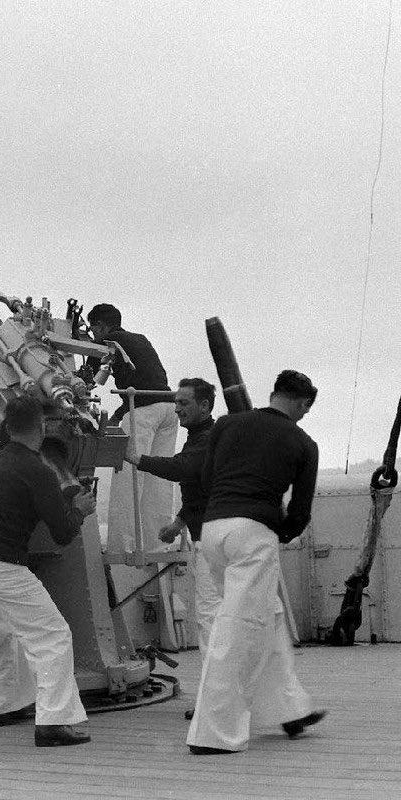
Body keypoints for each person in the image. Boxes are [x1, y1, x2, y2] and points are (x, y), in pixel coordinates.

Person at [187, 370, 326, 755]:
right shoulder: (303, 443)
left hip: (213, 531)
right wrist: (281, 533)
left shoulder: (226, 425)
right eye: (305, 409)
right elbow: (300, 511)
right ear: (302, 403)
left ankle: (289, 709)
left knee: (269, 615)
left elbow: (206, 478)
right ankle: (214, 735)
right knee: (240, 630)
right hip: (253, 534)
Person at [0, 395, 97, 748]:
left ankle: (4, 706)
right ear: (42, 427)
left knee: (1, 632)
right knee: (53, 637)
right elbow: (63, 533)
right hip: (1, 566)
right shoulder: (39, 471)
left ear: (7, 426)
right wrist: (79, 510)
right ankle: (53, 722)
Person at [126, 377, 218, 718]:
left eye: (183, 403)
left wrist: (137, 458)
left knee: (210, 620)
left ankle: (213, 703)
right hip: (211, 534)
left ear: (204, 406)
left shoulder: (207, 440)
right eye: (176, 402)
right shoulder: (201, 437)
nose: (176, 409)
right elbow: (198, 488)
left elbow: (183, 469)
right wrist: (178, 524)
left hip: (214, 541)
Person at [86, 303, 178, 552]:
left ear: (100, 326)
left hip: (143, 410)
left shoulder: (109, 342)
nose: (94, 335)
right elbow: (146, 382)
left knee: (128, 478)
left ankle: (122, 548)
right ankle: (157, 545)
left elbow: (87, 375)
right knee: (158, 479)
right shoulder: (139, 339)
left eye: (93, 330)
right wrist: (118, 415)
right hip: (168, 408)